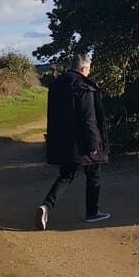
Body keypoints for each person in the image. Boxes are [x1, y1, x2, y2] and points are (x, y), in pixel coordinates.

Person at [36, 53, 111, 230]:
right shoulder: (83, 86)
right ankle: (92, 212)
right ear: (84, 68)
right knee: (94, 174)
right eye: (89, 68)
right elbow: (88, 117)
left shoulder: (57, 85)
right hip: (83, 141)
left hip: (63, 140)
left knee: (66, 175)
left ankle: (46, 206)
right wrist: (94, 143)